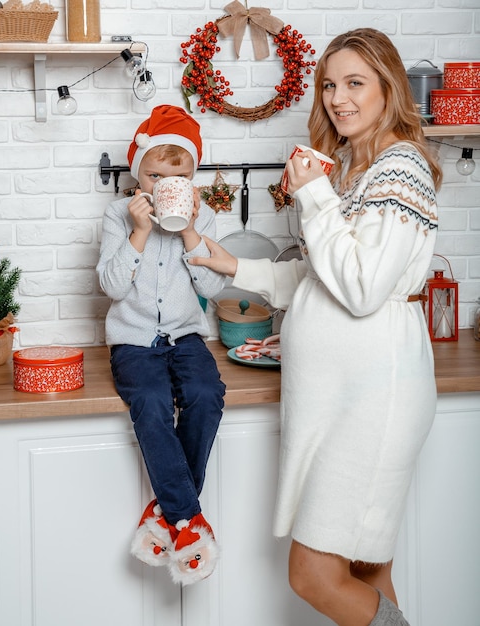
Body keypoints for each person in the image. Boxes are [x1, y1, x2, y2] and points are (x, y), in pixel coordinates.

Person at [189, 28, 441, 624]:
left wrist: (317, 197)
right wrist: (230, 265)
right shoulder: (361, 165)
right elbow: (320, 275)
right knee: (365, 570)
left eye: (355, 83)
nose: (337, 98)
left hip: (376, 395)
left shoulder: (401, 168)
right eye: (330, 84)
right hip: (346, 393)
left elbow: (361, 289)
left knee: (314, 574)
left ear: (389, 88)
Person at [96, 105, 226, 586]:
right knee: (150, 402)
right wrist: (140, 232)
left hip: (186, 336)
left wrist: (190, 229)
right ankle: (188, 519)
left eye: (178, 176)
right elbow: (111, 286)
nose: (162, 186)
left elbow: (211, 291)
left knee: (206, 395)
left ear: (192, 179)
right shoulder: (118, 215)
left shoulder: (204, 214)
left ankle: (167, 513)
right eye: (153, 175)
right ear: (138, 174)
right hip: (132, 341)